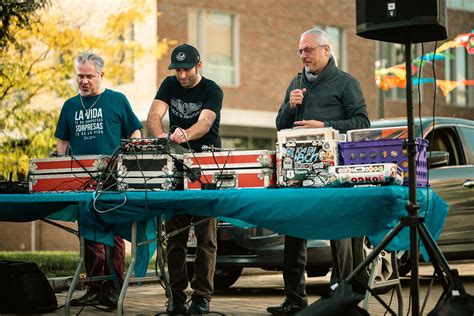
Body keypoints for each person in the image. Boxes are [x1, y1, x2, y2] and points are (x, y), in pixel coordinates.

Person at [267, 29, 370, 315]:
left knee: (340, 233)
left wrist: (323, 125)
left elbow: (362, 122)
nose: (303, 56)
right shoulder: (296, 82)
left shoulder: (346, 83)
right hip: (297, 170)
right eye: (300, 50)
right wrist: (290, 107)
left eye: (309, 50)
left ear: (326, 50)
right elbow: (280, 124)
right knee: (294, 230)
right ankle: (294, 299)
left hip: (334, 171)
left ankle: (344, 296)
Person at [55, 52, 142, 308]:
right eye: (80, 76)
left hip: (114, 180)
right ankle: (94, 288)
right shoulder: (70, 106)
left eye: (89, 76)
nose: (83, 81)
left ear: (101, 75)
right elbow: (63, 142)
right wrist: (61, 169)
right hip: (81, 182)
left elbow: (134, 133)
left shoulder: (117, 100)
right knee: (89, 236)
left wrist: (132, 165)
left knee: (113, 234)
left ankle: (113, 289)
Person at [147, 43, 223, 314]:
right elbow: (154, 115)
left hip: (205, 164)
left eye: (186, 69)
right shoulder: (169, 84)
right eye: (177, 70)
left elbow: (204, 123)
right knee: (174, 235)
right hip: (175, 164)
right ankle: (176, 296)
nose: (181, 75)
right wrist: (160, 138)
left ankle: (202, 298)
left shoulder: (212, 89)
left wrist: (184, 135)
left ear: (199, 65)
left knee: (206, 237)